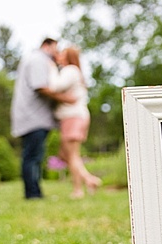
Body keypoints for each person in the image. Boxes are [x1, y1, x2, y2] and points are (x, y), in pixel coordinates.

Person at [10, 38, 75, 199]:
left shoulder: (34, 59)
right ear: (47, 45)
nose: (57, 52)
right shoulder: (38, 59)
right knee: (33, 157)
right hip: (33, 118)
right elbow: (41, 87)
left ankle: (34, 192)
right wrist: (66, 99)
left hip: (31, 117)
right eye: (56, 48)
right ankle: (33, 194)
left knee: (33, 156)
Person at [51, 46, 102, 198]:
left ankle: (78, 190)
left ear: (68, 57)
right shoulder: (75, 72)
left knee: (72, 156)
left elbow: (55, 86)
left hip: (73, 117)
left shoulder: (70, 70)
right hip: (75, 117)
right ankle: (89, 180)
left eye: (62, 54)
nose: (58, 56)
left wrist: (51, 69)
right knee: (66, 155)